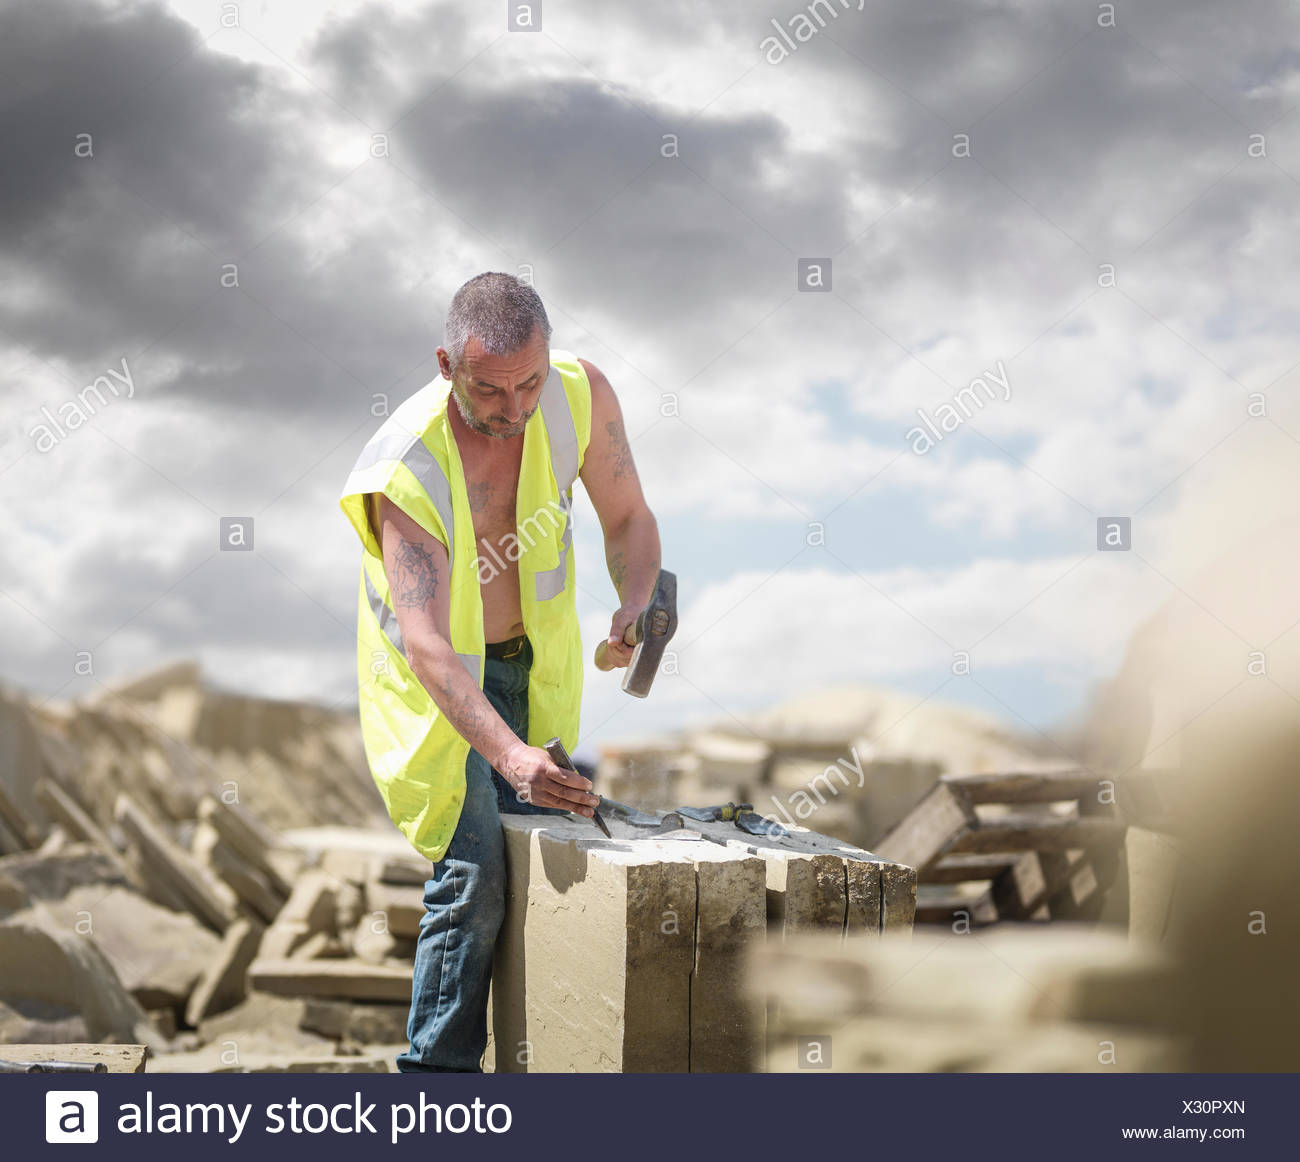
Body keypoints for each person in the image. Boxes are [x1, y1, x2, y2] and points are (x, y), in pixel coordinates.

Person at [338, 272, 662, 1071]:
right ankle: (434, 1091)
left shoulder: (579, 396)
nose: (515, 408)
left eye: (529, 383)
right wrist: (508, 755)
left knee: (542, 859)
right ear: (446, 363)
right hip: (437, 695)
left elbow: (628, 518)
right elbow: (429, 647)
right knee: (477, 878)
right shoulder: (405, 464)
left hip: (534, 674)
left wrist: (636, 600)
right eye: (489, 388)